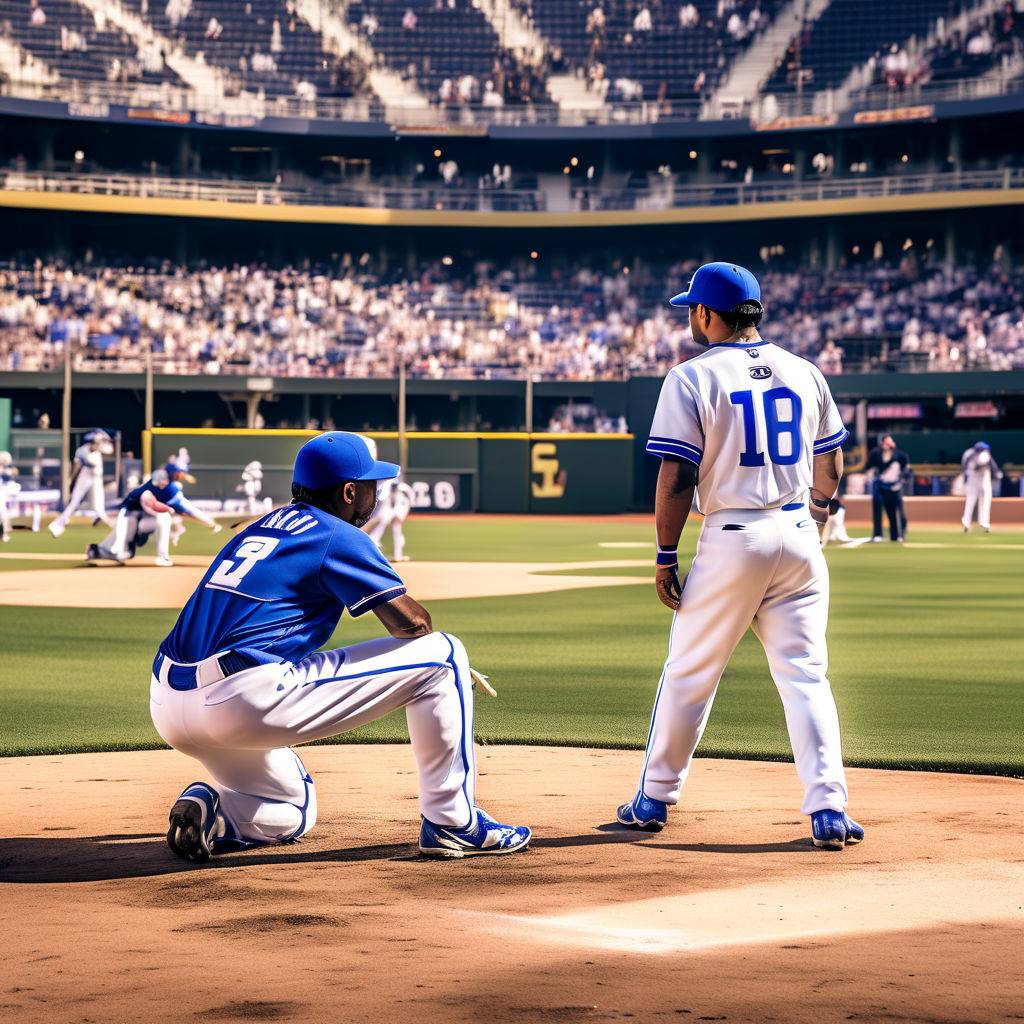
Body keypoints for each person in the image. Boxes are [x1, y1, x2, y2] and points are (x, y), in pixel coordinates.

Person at [152, 432, 531, 863]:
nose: (377, 492)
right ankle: (452, 823)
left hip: (168, 704)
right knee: (444, 655)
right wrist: (446, 663)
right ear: (349, 492)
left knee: (293, 808)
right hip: (240, 697)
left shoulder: (262, 526)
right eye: (372, 484)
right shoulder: (334, 532)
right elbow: (413, 623)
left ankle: (217, 815)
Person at [614, 262, 863, 850]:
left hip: (732, 536)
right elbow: (831, 462)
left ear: (705, 313)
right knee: (806, 676)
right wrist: (820, 516)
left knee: (689, 673)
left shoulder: (690, 377)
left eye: (692, 310)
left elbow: (676, 478)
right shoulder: (806, 372)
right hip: (797, 531)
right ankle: (828, 808)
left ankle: (652, 798)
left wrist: (664, 555)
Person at [86, 467, 221, 567]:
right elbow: (122, 511)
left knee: (164, 518)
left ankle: (162, 557)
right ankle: (100, 551)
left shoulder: (170, 490)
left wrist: (210, 523)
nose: (162, 484)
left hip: (149, 520)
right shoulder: (139, 493)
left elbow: (188, 509)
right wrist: (102, 515)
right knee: (123, 544)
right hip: (135, 519)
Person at [48, 430, 115, 537]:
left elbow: (110, 450)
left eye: (97, 442)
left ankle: (101, 517)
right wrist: (71, 479)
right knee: (74, 502)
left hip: (96, 479)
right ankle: (57, 525)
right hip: (85, 477)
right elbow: (81, 465)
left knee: (99, 505)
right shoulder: (82, 451)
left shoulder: (98, 450)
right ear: (90, 442)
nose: (97, 444)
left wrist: (104, 439)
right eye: (95, 442)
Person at [866, 434, 910, 542]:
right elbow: (869, 467)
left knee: (897, 511)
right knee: (877, 510)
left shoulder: (899, 455)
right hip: (880, 486)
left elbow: (907, 469)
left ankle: (898, 535)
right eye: (886, 443)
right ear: (882, 444)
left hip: (895, 487)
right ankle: (877, 534)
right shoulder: (876, 453)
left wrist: (903, 479)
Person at [960, 441, 1003, 532]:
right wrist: (997, 474)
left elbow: (992, 465)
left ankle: (980, 522)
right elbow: (990, 466)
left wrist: (996, 473)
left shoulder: (971, 454)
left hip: (979, 479)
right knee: (975, 500)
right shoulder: (976, 455)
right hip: (977, 479)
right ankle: (971, 522)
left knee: (980, 500)